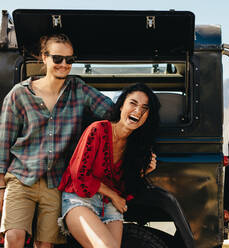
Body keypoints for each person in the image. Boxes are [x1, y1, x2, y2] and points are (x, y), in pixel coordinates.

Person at [0, 34, 113, 248]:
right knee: (13, 237)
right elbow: (3, 142)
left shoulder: (78, 89)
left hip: (56, 182)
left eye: (69, 60)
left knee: (46, 244)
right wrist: (0, 188)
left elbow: (113, 112)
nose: (64, 65)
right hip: (21, 177)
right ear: (44, 57)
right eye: (58, 58)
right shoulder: (19, 94)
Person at [57, 83, 161, 248]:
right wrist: (113, 195)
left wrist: (143, 172)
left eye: (145, 108)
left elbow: (125, 188)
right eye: (133, 103)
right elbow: (80, 176)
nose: (138, 111)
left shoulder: (138, 146)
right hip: (80, 198)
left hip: (110, 208)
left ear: (148, 116)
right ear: (121, 106)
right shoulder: (97, 130)